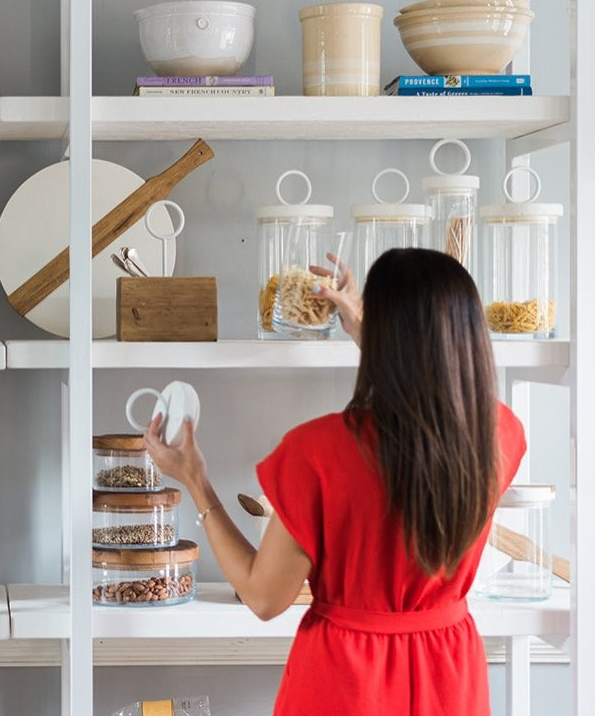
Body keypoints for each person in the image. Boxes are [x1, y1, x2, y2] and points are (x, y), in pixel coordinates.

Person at [143, 248, 526, 716]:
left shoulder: (317, 453)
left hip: (345, 682)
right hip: (449, 675)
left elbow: (264, 597)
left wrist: (196, 480)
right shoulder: (496, 437)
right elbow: (439, 396)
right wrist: (377, 334)